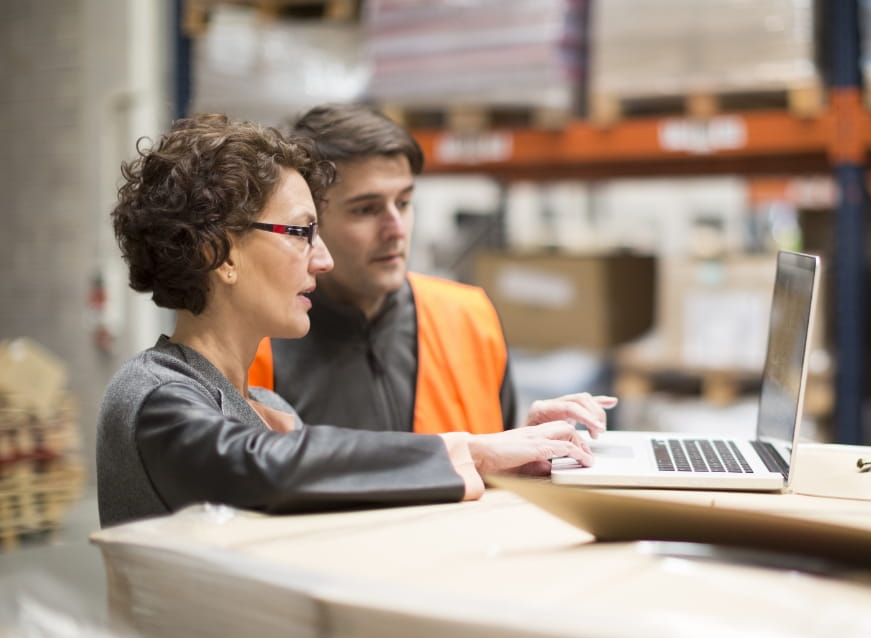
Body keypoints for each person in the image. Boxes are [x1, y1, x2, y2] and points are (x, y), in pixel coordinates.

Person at [96, 114, 594, 528]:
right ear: (219, 253)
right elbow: (262, 468)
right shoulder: (153, 394)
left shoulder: (267, 405)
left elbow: (345, 497)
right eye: (301, 233)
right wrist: (473, 451)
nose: (323, 260)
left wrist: (511, 458)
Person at [247, 103, 616, 437]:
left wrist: (525, 441)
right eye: (366, 209)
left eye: (404, 203)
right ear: (311, 221)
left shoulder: (467, 317)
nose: (396, 229)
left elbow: (492, 470)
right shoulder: (258, 345)